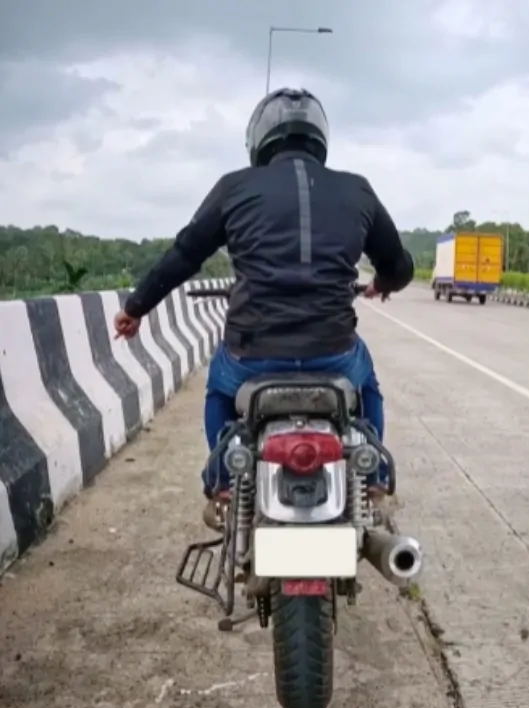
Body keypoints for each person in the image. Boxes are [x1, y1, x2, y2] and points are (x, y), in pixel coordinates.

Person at [114, 87, 414, 530]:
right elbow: (399, 265)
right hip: (333, 351)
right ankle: (375, 479)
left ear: (260, 138)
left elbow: (184, 255)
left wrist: (137, 306)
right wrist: (382, 284)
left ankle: (220, 484)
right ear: (320, 137)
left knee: (218, 389)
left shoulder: (234, 186)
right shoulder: (357, 189)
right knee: (367, 382)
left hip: (251, 356)